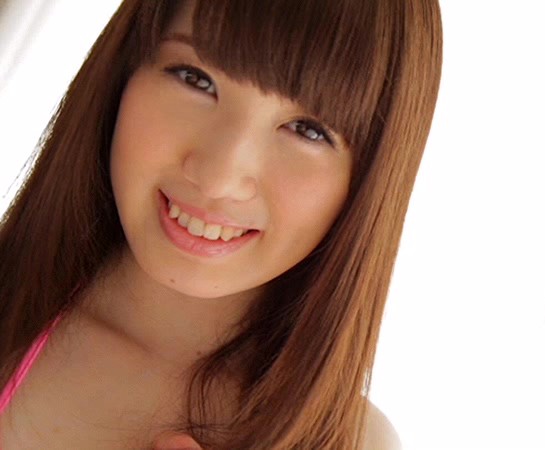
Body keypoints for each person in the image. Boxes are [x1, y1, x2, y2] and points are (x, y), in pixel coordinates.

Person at [0, 0, 442, 448]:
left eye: (308, 130)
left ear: (369, 179)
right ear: (124, 71)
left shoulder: (348, 441)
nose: (219, 178)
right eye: (195, 79)